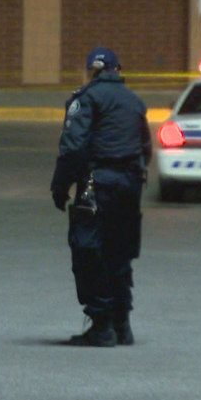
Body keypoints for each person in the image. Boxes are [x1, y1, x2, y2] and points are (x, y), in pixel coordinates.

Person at [50, 47, 151, 347]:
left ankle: (101, 324)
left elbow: (72, 148)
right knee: (120, 253)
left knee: (89, 252)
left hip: (97, 185)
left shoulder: (86, 99)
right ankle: (122, 324)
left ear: (90, 72)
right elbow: (145, 147)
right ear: (118, 70)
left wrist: (60, 186)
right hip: (129, 185)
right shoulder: (134, 100)